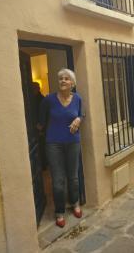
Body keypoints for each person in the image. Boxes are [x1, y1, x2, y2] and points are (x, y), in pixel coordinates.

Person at [37, 68, 82, 228]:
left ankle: (75, 203)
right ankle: (60, 212)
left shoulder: (77, 98)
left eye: (66, 79)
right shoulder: (48, 100)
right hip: (53, 144)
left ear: (72, 83)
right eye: (60, 78)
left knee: (73, 177)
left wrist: (79, 118)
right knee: (57, 180)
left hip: (73, 142)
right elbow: (40, 122)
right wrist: (42, 131)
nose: (63, 81)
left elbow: (81, 114)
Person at [32, 82, 47, 170]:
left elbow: (44, 114)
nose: (33, 90)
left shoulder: (42, 99)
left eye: (34, 88)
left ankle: (43, 166)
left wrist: (42, 126)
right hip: (35, 127)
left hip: (40, 127)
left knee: (42, 148)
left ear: (38, 88)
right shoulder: (32, 99)